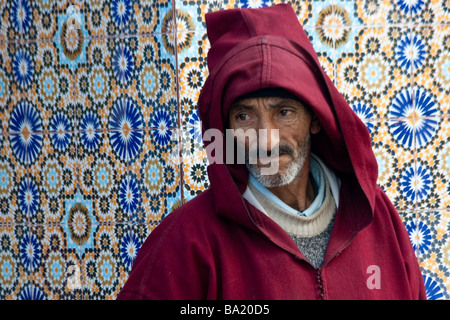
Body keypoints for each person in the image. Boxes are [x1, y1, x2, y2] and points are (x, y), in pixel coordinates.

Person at [117, 4, 426, 300]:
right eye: (244, 116)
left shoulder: (377, 218)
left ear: (315, 119)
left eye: (284, 112)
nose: (265, 140)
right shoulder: (187, 241)